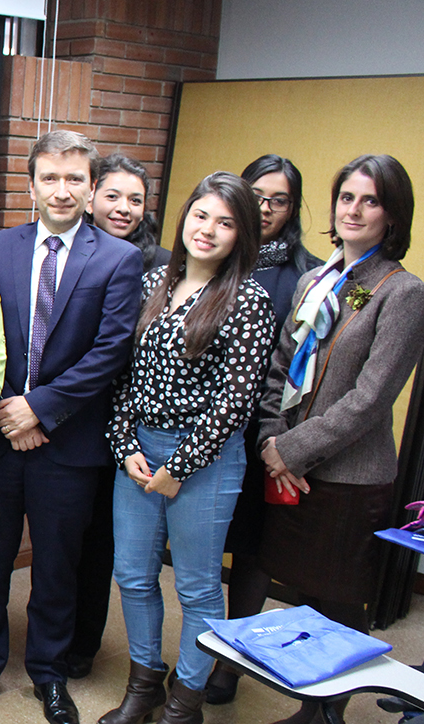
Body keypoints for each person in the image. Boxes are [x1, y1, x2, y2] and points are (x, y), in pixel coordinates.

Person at [0, 130, 142, 724]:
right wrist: (9, 409)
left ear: (91, 189)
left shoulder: (118, 258)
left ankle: (49, 673)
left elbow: (110, 351)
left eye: (74, 180)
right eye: (49, 178)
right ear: (31, 184)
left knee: (58, 566)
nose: (61, 190)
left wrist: (40, 408)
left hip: (69, 441)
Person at [99, 172, 274, 724]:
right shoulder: (153, 279)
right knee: (131, 573)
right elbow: (125, 374)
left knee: (198, 587)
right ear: (185, 217)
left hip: (207, 460)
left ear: (241, 234)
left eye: (225, 222)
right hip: (139, 453)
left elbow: (236, 400)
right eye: (201, 215)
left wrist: (180, 465)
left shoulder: (249, 300)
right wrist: (125, 443)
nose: (208, 229)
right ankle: (145, 684)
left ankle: (186, 701)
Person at [257, 154, 424, 724]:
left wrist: (290, 451)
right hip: (291, 465)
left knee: (339, 601)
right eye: (347, 197)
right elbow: (280, 369)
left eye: (370, 200)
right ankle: (311, 704)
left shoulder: (402, 292)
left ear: (392, 214)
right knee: (302, 592)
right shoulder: (315, 279)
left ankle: (326, 713)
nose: (354, 210)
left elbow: (371, 399)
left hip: (351, 476)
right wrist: (270, 442)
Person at [204, 154, 322, 705]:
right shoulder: (220, 256)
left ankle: (232, 664)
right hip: (202, 429)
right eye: (257, 195)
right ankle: (198, 653)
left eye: (279, 199)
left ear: (293, 207)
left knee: (251, 553)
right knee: (203, 551)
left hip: (263, 435)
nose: (266, 207)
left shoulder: (308, 275)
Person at [65, 152, 168, 679]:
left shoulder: (163, 267)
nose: (123, 208)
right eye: (113, 195)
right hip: (72, 418)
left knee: (105, 542)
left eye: (135, 200)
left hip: (130, 429)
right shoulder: (64, 251)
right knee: (68, 538)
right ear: (91, 195)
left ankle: (83, 642)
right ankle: (57, 635)